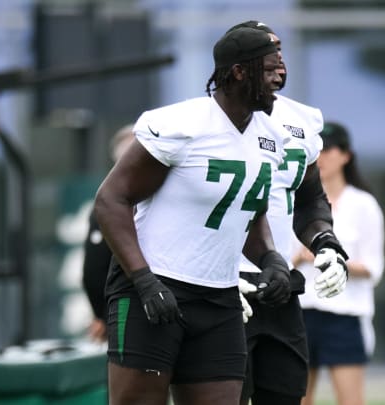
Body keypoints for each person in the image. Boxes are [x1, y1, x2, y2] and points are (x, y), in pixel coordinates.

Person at [93, 27, 300, 405]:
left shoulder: (273, 136)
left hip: (219, 297)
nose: (279, 79)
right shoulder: (183, 124)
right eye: (271, 69)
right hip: (153, 290)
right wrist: (144, 280)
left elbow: (247, 210)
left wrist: (270, 258)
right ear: (239, 72)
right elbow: (110, 201)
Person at [226, 21, 350, 405]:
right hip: (222, 285)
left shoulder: (303, 119)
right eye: (268, 54)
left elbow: (309, 195)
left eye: (280, 52)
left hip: (279, 282)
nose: (279, 63)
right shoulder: (208, 120)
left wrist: (325, 242)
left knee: (285, 395)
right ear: (239, 66)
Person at [292, 122, 385, 405]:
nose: (322, 157)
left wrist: (333, 259)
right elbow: (278, 257)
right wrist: (300, 256)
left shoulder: (364, 205)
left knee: (350, 400)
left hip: (344, 315)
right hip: (300, 311)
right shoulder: (295, 201)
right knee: (297, 398)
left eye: (329, 149)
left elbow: (373, 267)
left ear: (346, 155)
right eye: (317, 150)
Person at [81, 124, 134, 342]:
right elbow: (94, 269)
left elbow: (93, 271)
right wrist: (102, 315)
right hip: (128, 309)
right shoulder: (110, 203)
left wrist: (102, 315)